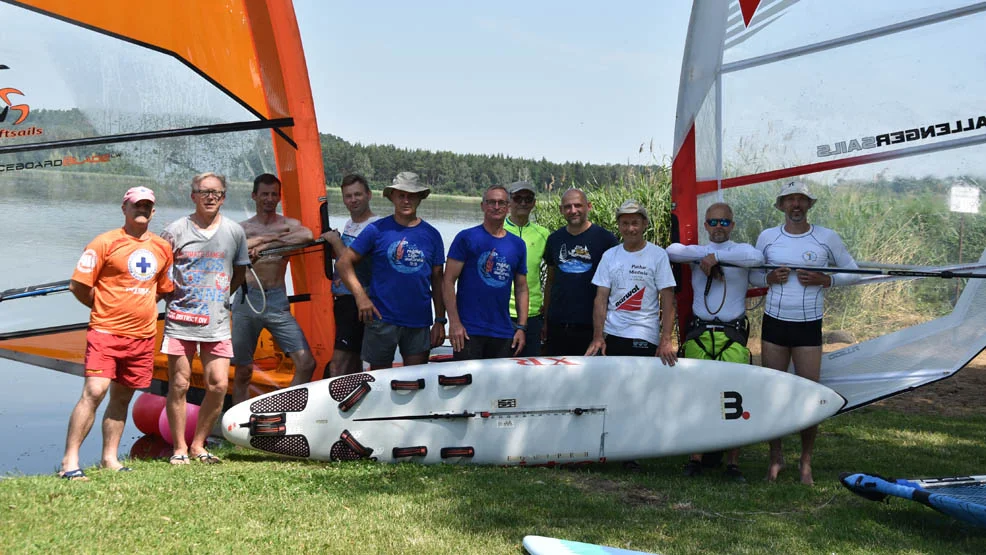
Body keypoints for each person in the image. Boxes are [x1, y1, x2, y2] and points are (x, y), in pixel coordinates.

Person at [58, 186, 174, 480]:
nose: (142, 210)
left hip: (143, 336)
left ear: (153, 211)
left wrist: (140, 307)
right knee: (95, 392)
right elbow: (79, 285)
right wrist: (103, 307)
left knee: (122, 398)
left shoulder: (162, 248)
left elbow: (161, 290)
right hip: (105, 332)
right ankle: (69, 462)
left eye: (147, 206)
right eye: (137, 205)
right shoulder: (104, 243)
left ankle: (110, 459)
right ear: (124, 208)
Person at [753, 181, 859, 485]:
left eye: (801, 200)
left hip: (808, 325)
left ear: (809, 205)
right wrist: (768, 276)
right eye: (790, 200)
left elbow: (852, 270)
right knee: (772, 391)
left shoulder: (826, 237)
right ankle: (776, 458)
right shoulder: (768, 237)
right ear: (782, 205)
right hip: (774, 323)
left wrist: (826, 280)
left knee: (810, 395)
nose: (796, 205)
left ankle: (806, 462)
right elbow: (752, 272)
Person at [667, 202, 764, 483]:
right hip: (699, 333)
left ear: (732, 226)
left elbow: (756, 258)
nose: (719, 227)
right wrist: (708, 256)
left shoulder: (741, 252)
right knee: (696, 396)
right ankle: (695, 458)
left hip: (731, 335)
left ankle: (732, 463)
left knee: (735, 397)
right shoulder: (696, 252)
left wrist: (719, 260)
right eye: (713, 222)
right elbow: (672, 251)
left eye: (724, 222)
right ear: (706, 225)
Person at [161, 172, 250, 464]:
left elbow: (240, 271)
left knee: (218, 386)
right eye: (203, 192)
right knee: (179, 384)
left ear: (224, 197)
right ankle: (179, 449)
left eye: (216, 192)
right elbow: (161, 276)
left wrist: (223, 295)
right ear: (193, 196)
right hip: (180, 320)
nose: (210, 197)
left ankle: (198, 445)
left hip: (217, 322)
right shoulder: (174, 231)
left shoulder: (235, 232)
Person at [336, 171, 446, 369]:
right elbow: (344, 263)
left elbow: (438, 280)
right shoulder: (376, 230)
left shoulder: (432, 235)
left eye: (411, 195)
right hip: (381, 319)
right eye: (401, 195)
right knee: (379, 381)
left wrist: (440, 320)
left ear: (420, 197)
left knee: (416, 379)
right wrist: (361, 296)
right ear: (392, 197)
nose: (406, 200)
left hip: (418, 321)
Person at [230, 173, 317, 405]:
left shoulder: (288, 225)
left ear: (279, 197)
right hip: (247, 299)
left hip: (277, 300)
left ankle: (286, 411)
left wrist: (267, 241)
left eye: (273, 194)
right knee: (243, 371)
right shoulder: (242, 228)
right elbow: (236, 246)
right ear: (254, 196)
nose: (269, 199)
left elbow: (307, 236)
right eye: (264, 194)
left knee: (306, 362)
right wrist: (265, 239)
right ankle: (238, 425)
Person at [585, 199, 677, 364]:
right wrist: (598, 336)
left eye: (635, 223)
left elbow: (668, 298)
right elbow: (600, 300)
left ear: (644, 224)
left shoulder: (658, 255)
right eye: (625, 223)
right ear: (619, 226)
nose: (630, 229)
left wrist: (666, 339)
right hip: (612, 334)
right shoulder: (609, 256)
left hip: (645, 334)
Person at [444, 185, 529, 360]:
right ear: (483, 206)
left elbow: (521, 288)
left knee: (498, 386)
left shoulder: (517, 245)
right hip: (468, 331)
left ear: (508, 207)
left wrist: (521, 327)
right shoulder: (466, 238)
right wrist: (454, 323)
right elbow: (448, 281)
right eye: (491, 202)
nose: (496, 207)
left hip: (503, 331)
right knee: (466, 385)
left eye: (501, 203)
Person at [542, 188, 618, 356]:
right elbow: (550, 281)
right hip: (558, 324)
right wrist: (546, 320)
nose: (573, 210)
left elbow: (617, 284)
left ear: (589, 206)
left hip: (591, 327)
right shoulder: (554, 239)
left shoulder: (606, 239)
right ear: (561, 210)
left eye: (578, 205)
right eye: (568, 207)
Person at [321, 173, 378, 376]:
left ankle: (334, 405)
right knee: (353, 364)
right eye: (348, 196)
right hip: (343, 301)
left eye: (358, 195)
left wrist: (336, 242)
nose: (353, 200)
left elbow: (349, 262)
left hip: (358, 301)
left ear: (369, 195)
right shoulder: (350, 224)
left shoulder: (374, 226)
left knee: (338, 365)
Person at [504, 180, 550, 357]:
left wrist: (546, 310)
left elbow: (553, 274)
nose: (523, 203)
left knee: (529, 370)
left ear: (534, 203)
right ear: (509, 201)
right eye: (517, 198)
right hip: (502, 312)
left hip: (532, 314)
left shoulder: (543, 234)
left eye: (528, 199)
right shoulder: (498, 229)